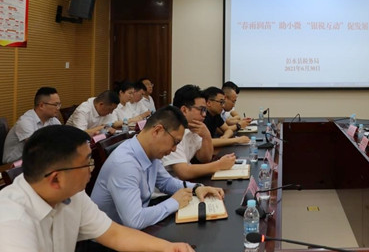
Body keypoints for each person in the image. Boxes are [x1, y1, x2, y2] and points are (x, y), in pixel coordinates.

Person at [0, 125, 195, 252]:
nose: (92, 169)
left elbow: (114, 234)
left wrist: (168, 248)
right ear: (56, 179)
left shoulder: (72, 195)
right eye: (87, 163)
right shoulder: (11, 223)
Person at [91, 105, 224, 229]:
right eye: (175, 142)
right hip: (110, 237)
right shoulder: (125, 164)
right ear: (157, 131)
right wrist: (174, 202)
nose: (174, 149)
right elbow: (134, 220)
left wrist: (196, 188)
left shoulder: (149, 151)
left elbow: (166, 182)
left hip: (135, 227)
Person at [163, 85, 236, 180]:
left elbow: (204, 158)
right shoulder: (170, 130)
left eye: (205, 110)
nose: (204, 114)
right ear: (184, 110)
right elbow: (184, 172)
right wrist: (219, 165)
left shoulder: (193, 127)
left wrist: (206, 136)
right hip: (170, 187)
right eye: (201, 110)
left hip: (184, 183)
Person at [3, 87, 62, 164]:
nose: (58, 108)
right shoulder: (25, 122)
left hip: (37, 161)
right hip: (14, 166)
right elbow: (37, 148)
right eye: (55, 104)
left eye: (59, 104)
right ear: (41, 105)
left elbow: (63, 140)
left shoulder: (53, 120)